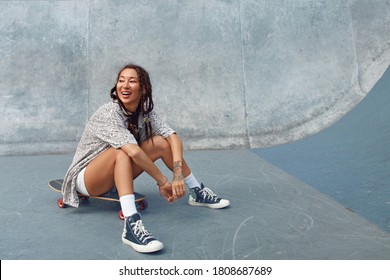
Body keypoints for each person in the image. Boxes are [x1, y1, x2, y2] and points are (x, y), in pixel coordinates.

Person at [61, 63, 230, 253]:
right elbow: (133, 152)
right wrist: (163, 182)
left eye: (132, 81)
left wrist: (177, 176)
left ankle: (196, 191)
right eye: (121, 81)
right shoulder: (109, 113)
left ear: (143, 89)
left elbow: (173, 138)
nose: (125, 86)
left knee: (160, 142)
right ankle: (131, 224)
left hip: (116, 174)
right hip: (87, 178)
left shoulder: (144, 113)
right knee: (122, 150)